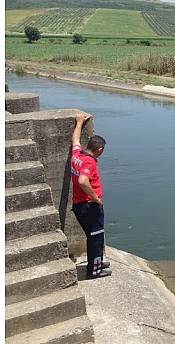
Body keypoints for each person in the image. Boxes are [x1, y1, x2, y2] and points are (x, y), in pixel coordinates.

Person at [70, 113, 111, 279]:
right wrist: (96, 198)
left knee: (94, 237)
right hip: (88, 206)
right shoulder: (89, 162)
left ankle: (97, 262)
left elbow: (75, 141)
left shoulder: (77, 155)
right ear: (99, 149)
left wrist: (79, 122)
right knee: (95, 238)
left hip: (79, 204)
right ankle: (95, 271)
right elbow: (83, 180)